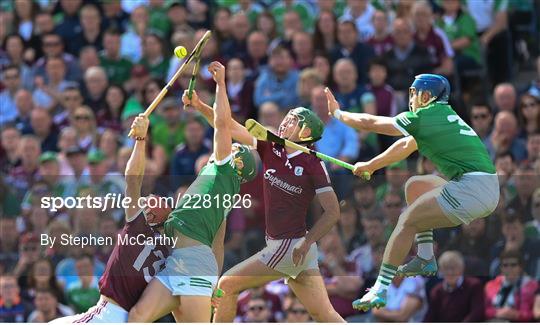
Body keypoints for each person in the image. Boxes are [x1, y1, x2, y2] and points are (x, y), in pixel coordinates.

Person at [325, 73, 499, 311]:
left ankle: (379, 288)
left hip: (472, 188)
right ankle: (426, 256)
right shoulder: (440, 116)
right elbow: (406, 145)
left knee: (407, 220)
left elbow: (372, 124)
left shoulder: (423, 116)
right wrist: (371, 165)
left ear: (427, 96)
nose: (412, 98)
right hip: (483, 187)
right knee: (415, 187)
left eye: (415, 93)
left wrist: (338, 114)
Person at [186, 71, 344, 322]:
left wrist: (306, 242)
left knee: (226, 285)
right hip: (289, 246)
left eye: (291, 120)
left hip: (291, 245)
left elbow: (333, 212)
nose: (284, 122)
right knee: (323, 314)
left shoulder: (314, 165)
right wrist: (200, 105)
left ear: (304, 131)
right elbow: (226, 126)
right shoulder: (272, 147)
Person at [127, 61, 257, 322]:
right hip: (177, 259)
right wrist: (216, 283)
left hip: (194, 262)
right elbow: (218, 245)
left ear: (238, 163)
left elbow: (222, 124)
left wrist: (220, 84)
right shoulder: (219, 186)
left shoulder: (224, 169)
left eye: (232, 148)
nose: (225, 147)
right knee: (137, 316)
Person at [49, 112, 171, 323]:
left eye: (152, 199)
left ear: (152, 215)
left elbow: (133, 181)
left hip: (107, 313)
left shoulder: (138, 226)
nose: (148, 199)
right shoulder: (172, 250)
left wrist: (140, 141)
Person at [424, 251, 485, 322]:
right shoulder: (437, 291)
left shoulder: (474, 285)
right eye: (446, 268)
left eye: (453, 268)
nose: (450, 272)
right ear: (441, 271)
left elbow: (477, 313)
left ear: (462, 269)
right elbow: (430, 317)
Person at [484, 250, 538, 322]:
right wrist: (496, 313)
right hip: (494, 320)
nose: (509, 269)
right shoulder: (491, 285)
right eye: (505, 265)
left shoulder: (531, 286)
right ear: (501, 268)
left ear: (520, 267)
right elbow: (483, 309)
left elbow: (532, 314)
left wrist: (517, 315)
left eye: (513, 265)